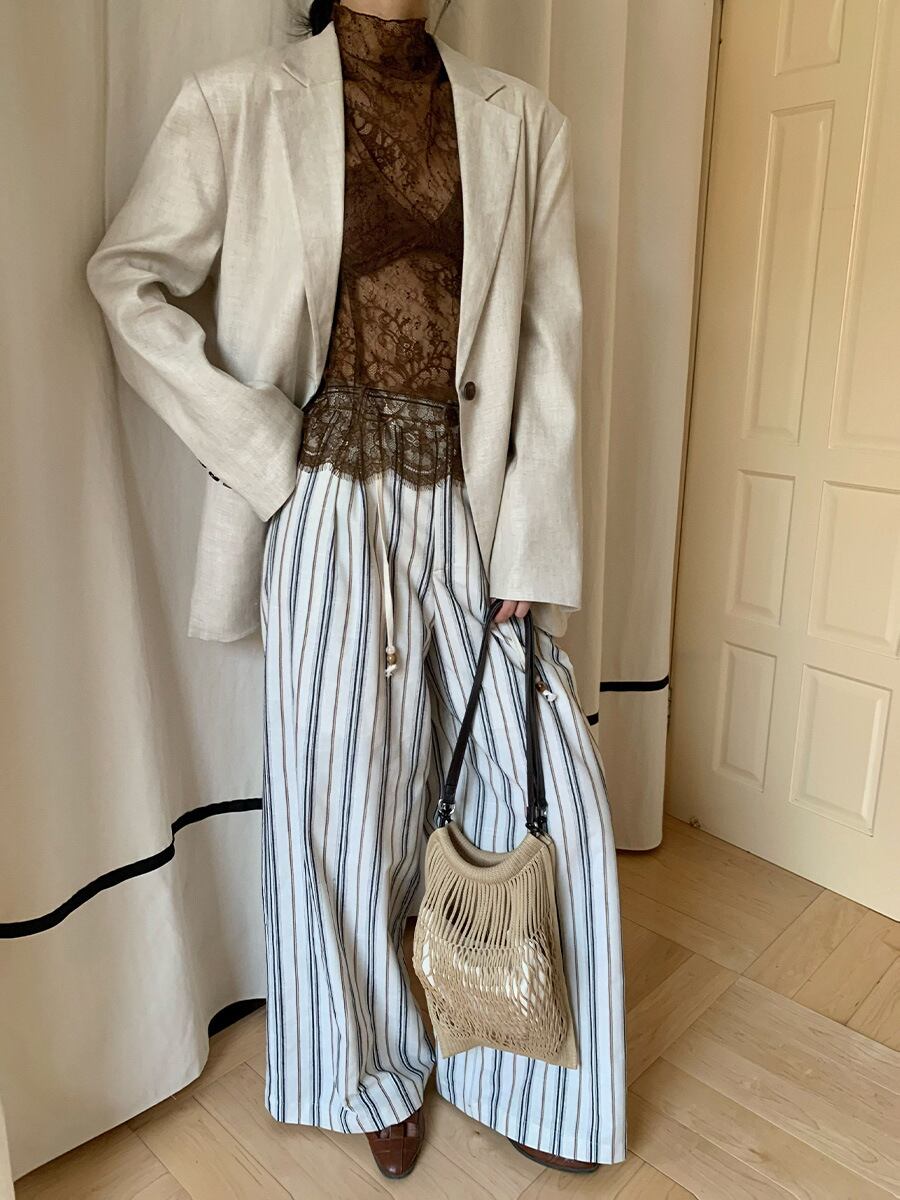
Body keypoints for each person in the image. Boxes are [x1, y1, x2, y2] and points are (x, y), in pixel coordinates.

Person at [86, 0, 626, 1180]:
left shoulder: (523, 123)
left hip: (473, 505)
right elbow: (126, 281)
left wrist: (532, 548)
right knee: (337, 803)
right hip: (323, 498)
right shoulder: (242, 101)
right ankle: (363, 1065)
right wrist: (260, 445)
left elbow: (548, 349)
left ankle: (522, 1066)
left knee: (532, 781)